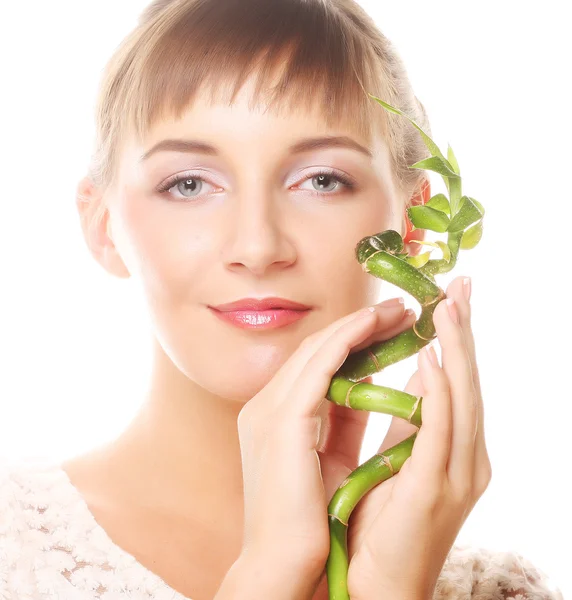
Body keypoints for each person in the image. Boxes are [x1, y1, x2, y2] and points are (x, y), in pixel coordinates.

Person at [0, 0, 563, 599]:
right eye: (189, 184)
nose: (258, 245)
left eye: (322, 180)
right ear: (102, 225)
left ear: (412, 222)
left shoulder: (496, 591)